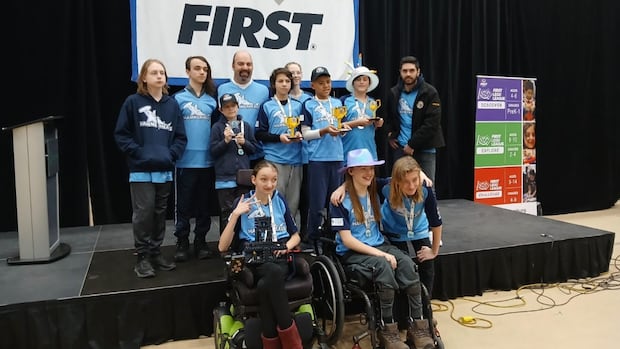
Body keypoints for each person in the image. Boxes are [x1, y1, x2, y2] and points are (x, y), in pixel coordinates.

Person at [329, 148, 435, 349]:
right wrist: (381, 254)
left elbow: (404, 175)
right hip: (353, 252)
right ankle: (388, 330)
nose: (369, 173)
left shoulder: (374, 187)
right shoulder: (340, 200)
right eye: (363, 169)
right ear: (351, 171)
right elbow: (348, 240)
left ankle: (418, 326)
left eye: (370, 168)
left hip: (379, 244)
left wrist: (421, 173)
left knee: (407, 264)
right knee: (383, 266)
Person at [218, 160, 303, 349]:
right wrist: (236, 214)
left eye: (273, 180)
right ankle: (293, 343)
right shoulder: (242, 202)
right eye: (264, 179)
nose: (269, 185)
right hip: (253, 259)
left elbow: (296, 236)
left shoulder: (279, 200)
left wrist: (287, 246)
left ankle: (271, 342)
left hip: (278, 254)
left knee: (267, 282)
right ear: (254, 180)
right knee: (271, 274)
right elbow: (222, 247)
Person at [114, 58, 186, 278]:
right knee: (143, 213)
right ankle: (142, 257)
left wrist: (170, 155)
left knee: (159, 213)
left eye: (162, 72)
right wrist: (141, 153)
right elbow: (121, 134)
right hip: (141, 170)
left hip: (164, 169)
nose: (159, 76)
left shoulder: (172, 105)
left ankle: (156, 252)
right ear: (144, 77)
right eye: (154, 72)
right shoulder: (133, 102)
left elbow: (180, 137)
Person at [172, 55, 218, 262]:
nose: (202, 72)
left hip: (207, 162)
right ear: (187, 71)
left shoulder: (211, 100)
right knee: (183, 205)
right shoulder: (178, 99)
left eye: (205, 69)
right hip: (184, 162)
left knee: (203, 205)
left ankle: (200, 241)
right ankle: (182, 242)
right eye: (197, 68)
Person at [300, 66, 350, 250]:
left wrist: (342, 131)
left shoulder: (337, 104)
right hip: (318, 160)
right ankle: (314, 240)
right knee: (317, 203)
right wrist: (323, 131)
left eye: (328, 82)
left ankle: (334, 237)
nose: (325, 86)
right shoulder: (308, 105)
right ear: (313, 85)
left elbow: (339, 128)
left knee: (336, 201)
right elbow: (305, 134)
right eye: (321, 83)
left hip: (337, 158)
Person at [380, 156, 443, 296]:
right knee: (404, 265)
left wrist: (434, 251)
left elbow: (436, 222)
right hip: (394, 230)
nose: (412, 186)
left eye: (415, 180)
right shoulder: (386, 187)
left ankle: (425, 306)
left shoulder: (425, 189)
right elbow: (363, 183)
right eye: (406, 182)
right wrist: (343, 187)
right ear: (396, 181)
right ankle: (405, 305)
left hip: (418, 228)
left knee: (427, 264)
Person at [256, 68, 304, 229]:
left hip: (295, 160)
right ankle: (273, 235)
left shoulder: (298, 105)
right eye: (280, 81)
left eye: (287, 81)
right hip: (274, 159)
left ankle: (289, 235)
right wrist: (279, 138)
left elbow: (304, 128)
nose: (284, 84)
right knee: (274, 200)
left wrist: (299, 134)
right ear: (273, 84)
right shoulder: (267, 106)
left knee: (293, 202)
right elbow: (260, 133)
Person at [386, 56, 445, 184]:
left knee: (427, 187)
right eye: (405, 71)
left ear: (418, 71)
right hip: (401, 149)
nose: (408, 74)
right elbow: (390, 117)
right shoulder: (394, 92)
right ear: (400, 72)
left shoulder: (429, 92)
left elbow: (431, 124)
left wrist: (412, 144)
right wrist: (391, 134)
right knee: (399, 187)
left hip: (425, 149)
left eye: (412, 70)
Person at [210, 93, 259, 234]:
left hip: (243, 179)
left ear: (237, 107)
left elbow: (254, 149)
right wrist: (224, 142)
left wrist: (245, 143)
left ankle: (242, 244)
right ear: (221, 110)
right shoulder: (217, 128)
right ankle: (226, 248)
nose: (230, 109)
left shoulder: (246, 126)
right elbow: (213, 152)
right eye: (226, 107)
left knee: (245, 212)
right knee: (227, 214)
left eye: (233, 106)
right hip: (224, 179)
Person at [217, 50, 269, 167]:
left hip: (256, 152)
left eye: (248, 64)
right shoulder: (222, 89)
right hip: (230, 152)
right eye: (240, 64)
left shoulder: (264, 91)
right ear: (233, 66)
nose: (245, 67)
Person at [285, 61, 313, 240]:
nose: (295, 76)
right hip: (290, 157)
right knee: (290, 199)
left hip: (309, 155)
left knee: (307, 199)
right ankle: (288, 232)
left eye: (297, 72)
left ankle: (306, 233)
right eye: (291, 73)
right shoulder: (281, 99)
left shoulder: (310, 99)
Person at [340, 66, 384, 163]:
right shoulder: (344, 101)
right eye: (358, 79)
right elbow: (338, 126)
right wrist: (356, 123)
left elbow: (372, 127)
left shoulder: (373, 102)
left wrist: (377, 124)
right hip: (349, 149)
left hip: (369, 150)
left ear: (369, 83)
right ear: (353, 83)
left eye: (365, 79)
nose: (362, 82)